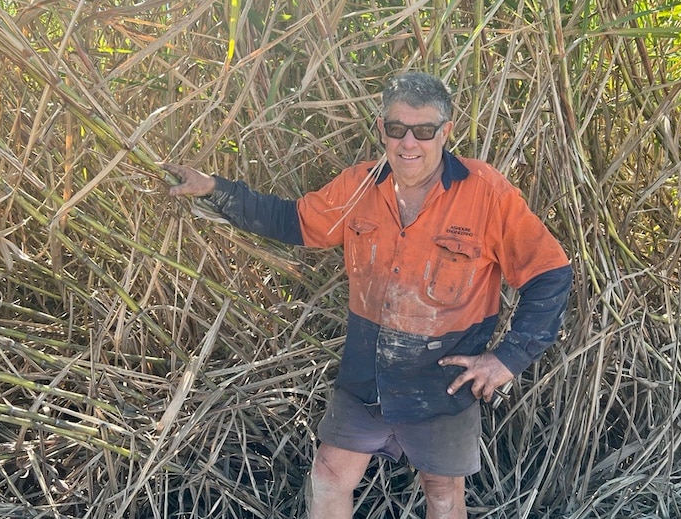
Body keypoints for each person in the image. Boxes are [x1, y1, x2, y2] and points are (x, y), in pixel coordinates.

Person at [162, 71, 572, 519]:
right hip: (366, 373)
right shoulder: (359, 185)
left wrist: (507, 359)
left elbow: (550, 274)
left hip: (443, 382)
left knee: (441, 492)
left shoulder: (486, 193)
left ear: (446, 132)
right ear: (382, 130)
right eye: (397, 129)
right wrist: (215, 189)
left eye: (424, 130)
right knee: (330, 474)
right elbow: (291, 220)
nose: (409, 143)